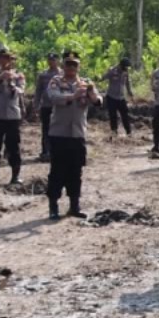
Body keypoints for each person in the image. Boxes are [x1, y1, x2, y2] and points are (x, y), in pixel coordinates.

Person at [46, 56, 102, 219]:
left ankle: (74, 206)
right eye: (68, 65)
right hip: (59, 133)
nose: (71, 68)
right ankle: (53, 207)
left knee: (75, 171)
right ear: (63, 66)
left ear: (78, 67)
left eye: (74, 65)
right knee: (57, 171)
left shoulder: (85, 83)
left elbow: (98, 99)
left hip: (77, 134)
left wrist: (93, 97)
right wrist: (73, 96)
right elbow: (54, 97)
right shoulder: (56, 81)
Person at [0, 48, 25, 185]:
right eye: (3, 57)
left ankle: (15, 176)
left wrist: (14, 87)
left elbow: (21, 90)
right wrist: (1, 77)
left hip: (12, 116)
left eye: (9, 58)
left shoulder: (18, 75)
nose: (6, 60)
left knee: (14, 147)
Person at [34, 53, 61, 162]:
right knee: (46, 129)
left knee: (58, 129)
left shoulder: (62, 74)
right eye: (49, 59)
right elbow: (38, 91)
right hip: (46, 106)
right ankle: (45, 152)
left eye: (53, 59)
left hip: (59, 107)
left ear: (57, 61)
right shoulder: (43, 75)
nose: (51, 62)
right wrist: (36, 105)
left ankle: (57, 151)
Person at [102, 57, 134, 139]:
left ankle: (129, 132)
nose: (126, 68)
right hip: (111, 97)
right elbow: (104, 77)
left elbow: (127, 83)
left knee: (125, 115)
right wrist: (98, 78)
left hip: (121, 97)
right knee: (113, 116)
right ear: (121, 65)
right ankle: (114, 132)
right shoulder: (113, 71)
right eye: (125, 67)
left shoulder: (126, 72)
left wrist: (130, 92)